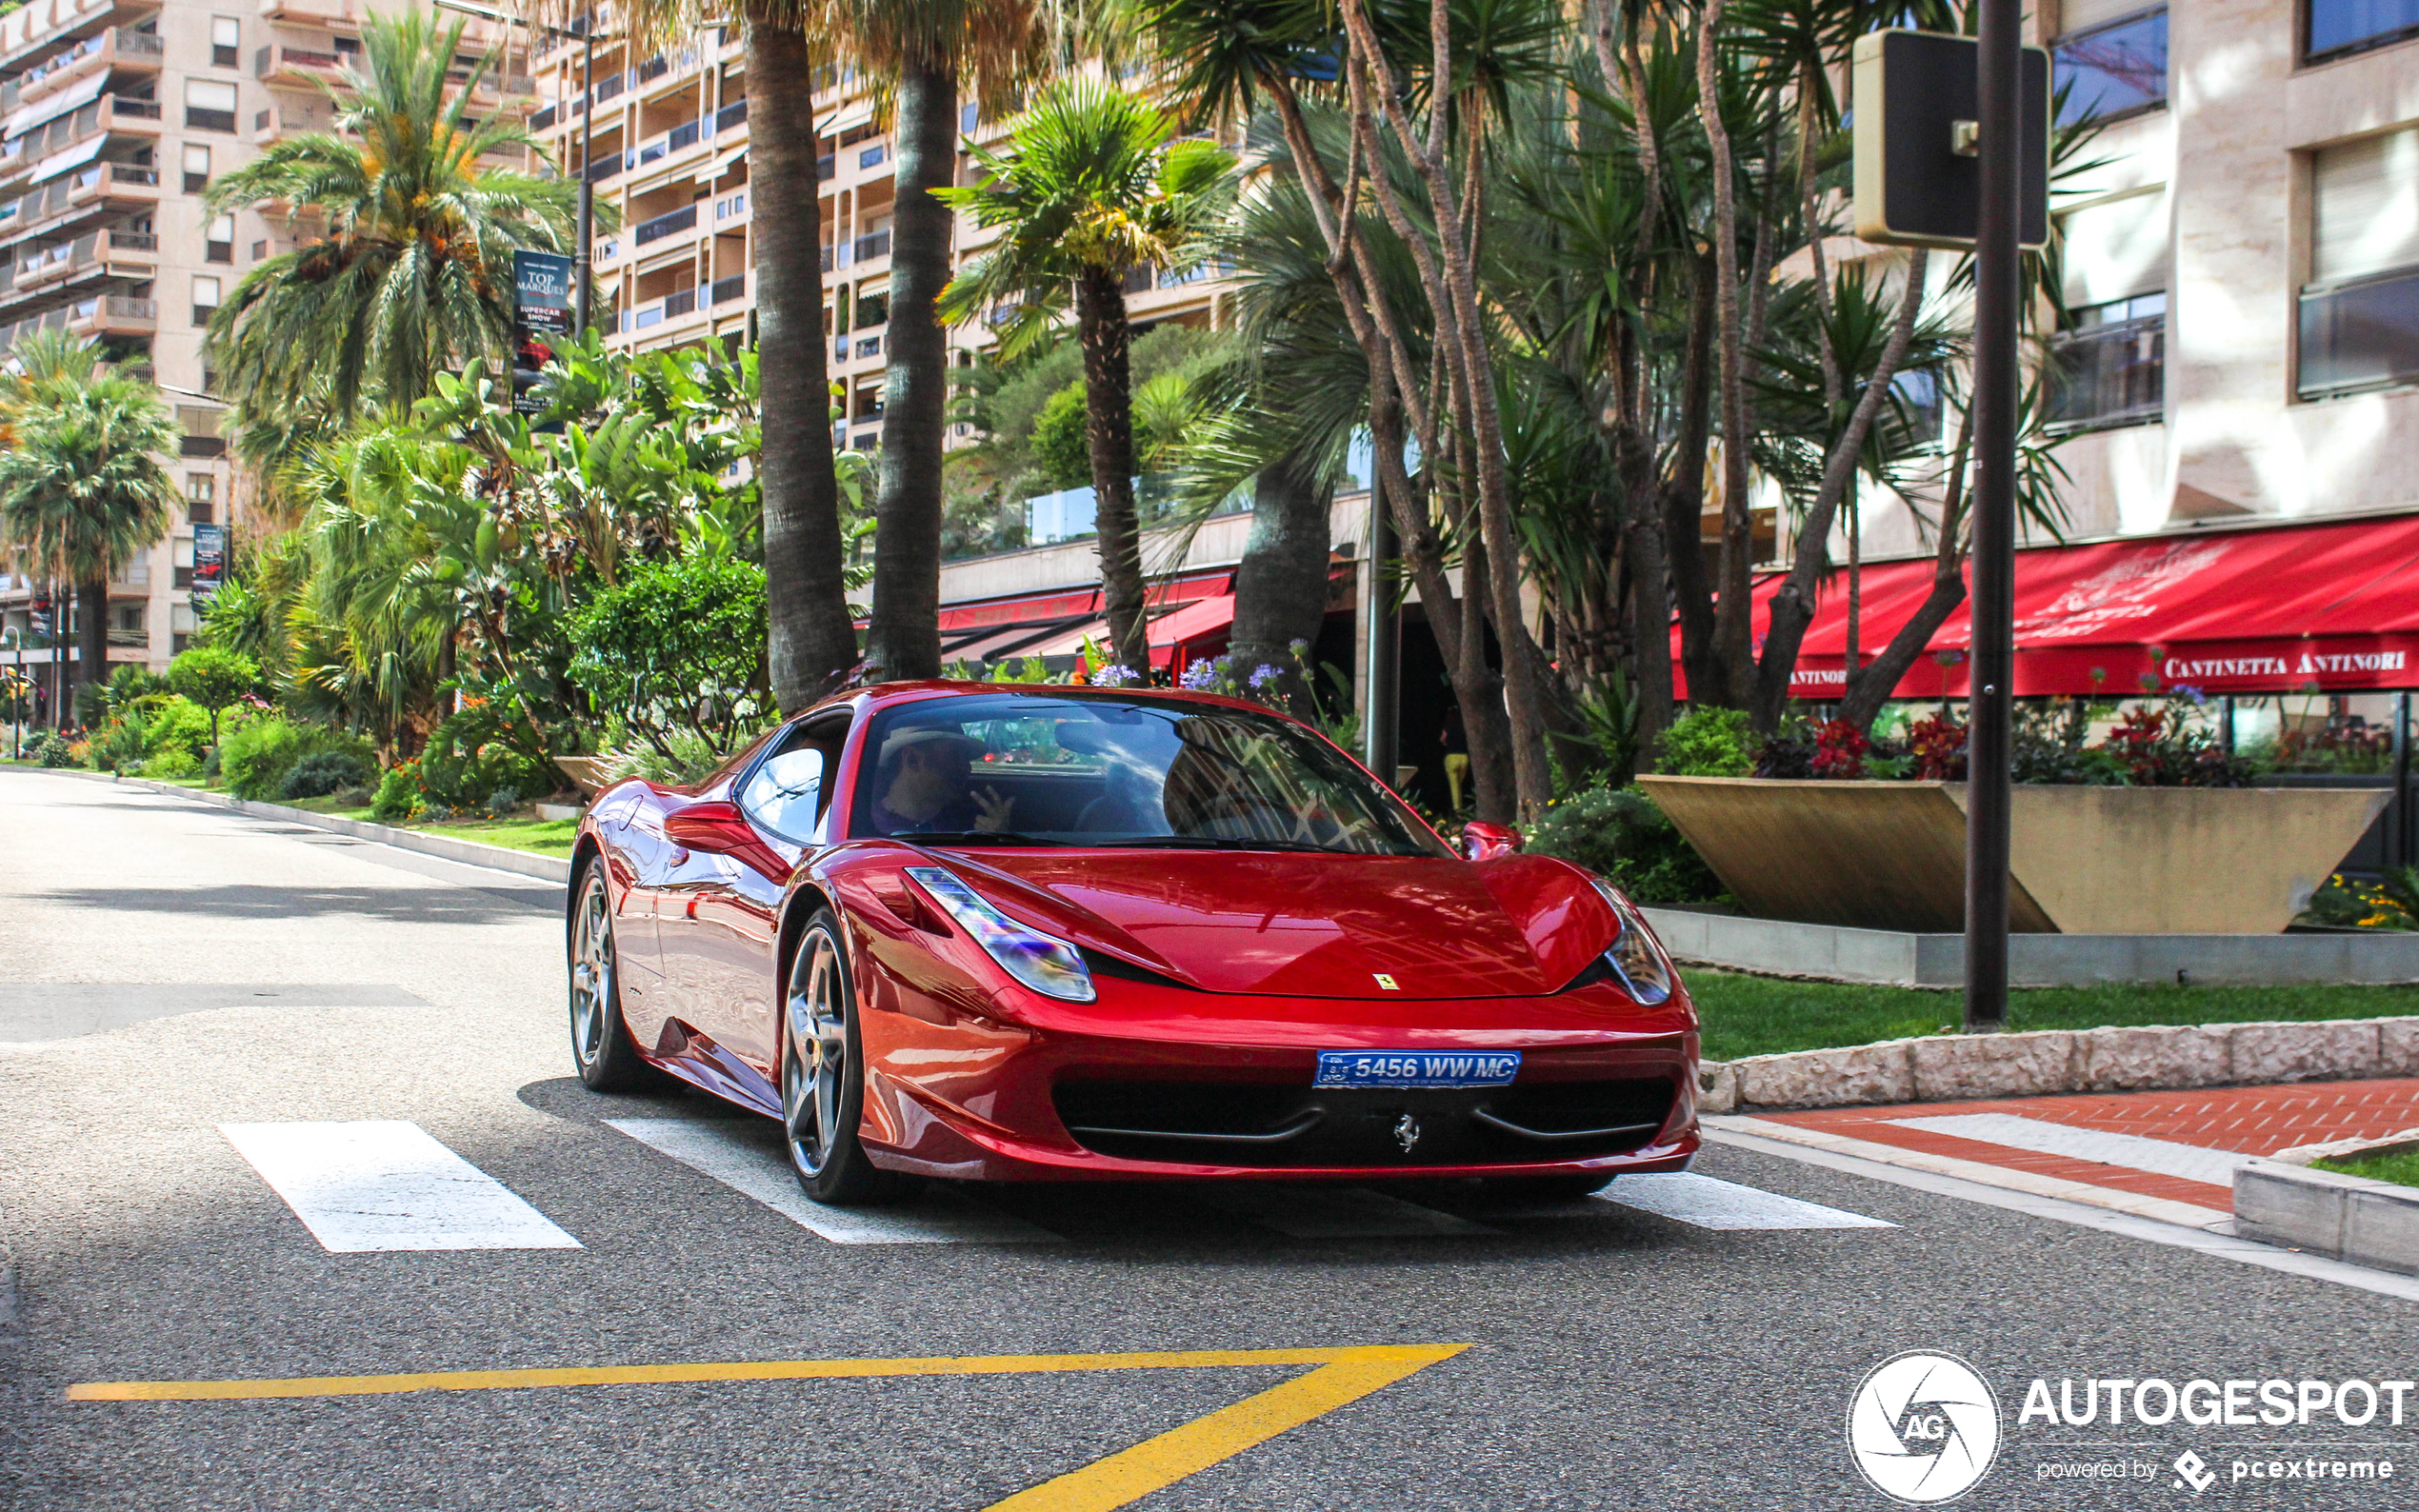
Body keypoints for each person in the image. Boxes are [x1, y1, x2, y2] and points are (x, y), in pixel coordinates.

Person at [865, 727, 1015, 835]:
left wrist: (999, 839)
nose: (966, 767)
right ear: (912, 759)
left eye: (966, 756)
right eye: (954, 754)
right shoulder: (863, 825)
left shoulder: (971, 821)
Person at [1441, 700, 1470, 813]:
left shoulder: (1448, 726)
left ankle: (1457, 810)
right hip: (1464, 758)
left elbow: (1443, 739)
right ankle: (1460, 806)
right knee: (1459, 784)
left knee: (1454, 785)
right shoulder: (1464, 727)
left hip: (1451, 757)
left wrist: (1446, 742)